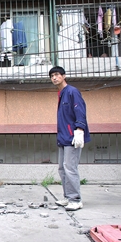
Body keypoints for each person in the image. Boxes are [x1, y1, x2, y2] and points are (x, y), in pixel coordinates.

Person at [49, 66, 90, 211]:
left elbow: (80, 110)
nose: (54, 78)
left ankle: (75, 199)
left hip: (73, 137)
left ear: (64, 76)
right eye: (52, 76)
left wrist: (80, 130)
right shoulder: (62, 94)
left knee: (70, 168)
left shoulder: (72, 91)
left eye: (57, 75)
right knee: (62, 168)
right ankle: (68, 197)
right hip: (63, 137)